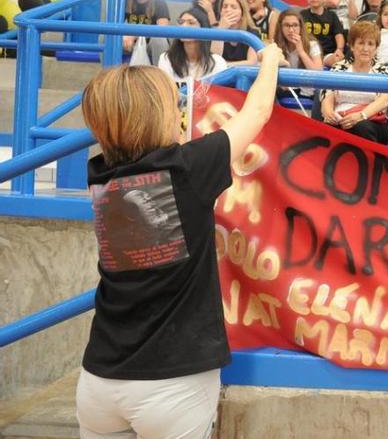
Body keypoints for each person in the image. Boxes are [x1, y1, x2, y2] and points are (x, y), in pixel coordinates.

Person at [76, 43, 285, 439]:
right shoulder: (189, 169)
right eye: (174, 105)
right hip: (173, 382)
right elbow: (257, 111)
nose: (181, 113)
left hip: (99, 377)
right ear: (154, 117)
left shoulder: (100, 179)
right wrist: (270, 57)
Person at [320, 22, 388, 144]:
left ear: (376, 48)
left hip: (372, 122)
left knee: (361, 127)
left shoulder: (384, 69)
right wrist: (329, 113)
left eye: (370, 44)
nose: (365, 49)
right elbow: (328, 95)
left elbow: (385, 100)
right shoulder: (340, 67)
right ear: (352, 46)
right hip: (341, 119)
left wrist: (360, 116)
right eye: (361, 43)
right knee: (326, 128)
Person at [157, 8, 227, 85]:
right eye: (181, 22)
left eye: (191, 23)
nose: (183, 26)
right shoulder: (166, 59)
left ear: (203, 28)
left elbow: (220, 95)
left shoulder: (217, 62)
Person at [122, 0, 170, 65]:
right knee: (105, 37)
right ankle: (109, 74)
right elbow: (115, 25)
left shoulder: (159, 2)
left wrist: (134, 35)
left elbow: (163, 29)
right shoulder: (126, 1)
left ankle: (160, 77)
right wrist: (125, 37)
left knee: (159, 39)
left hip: (150, 45)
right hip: (130, 44)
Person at [274, 8, 322, 96]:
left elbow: (318, 74)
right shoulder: (275, 46)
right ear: (280, 27)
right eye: (287, 25)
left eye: (295, 25)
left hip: (306, 91)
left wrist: (301, 51)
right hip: (284, 89)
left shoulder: (312, 44)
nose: (291, 30)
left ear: (301, 27)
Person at [301, 0, 345, 67]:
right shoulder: (301, 15)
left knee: (337, 59)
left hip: (326, 54)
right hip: (307, 53)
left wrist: (339, 49)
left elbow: (339, 35)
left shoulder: (332, 15)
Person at [211, 0, 258, 67]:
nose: (228, 10)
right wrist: (221, 29)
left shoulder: (252, 32)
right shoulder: (213, 30)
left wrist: (225, 64)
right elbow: (215, 60)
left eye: (233, 7)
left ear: (242, 13)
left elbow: (252, 62)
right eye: (225, 6)